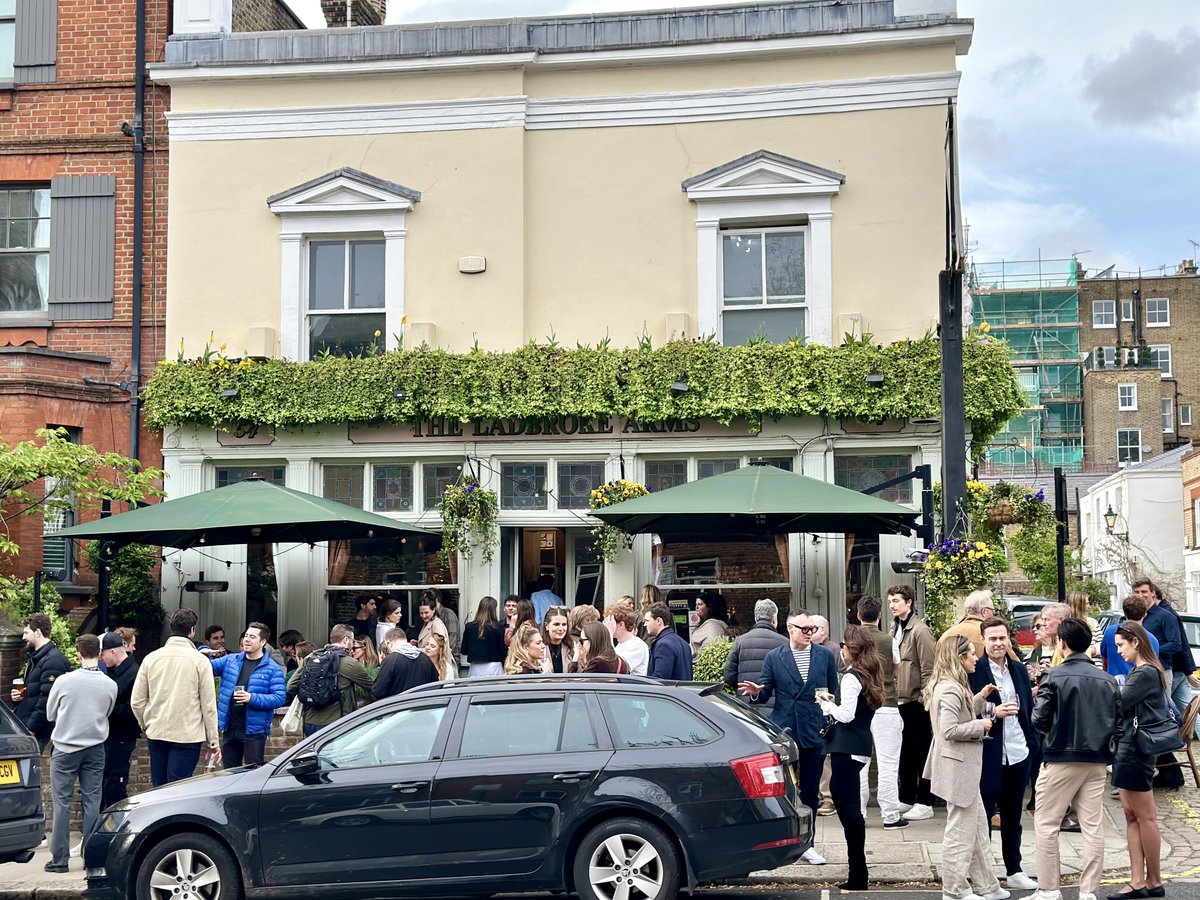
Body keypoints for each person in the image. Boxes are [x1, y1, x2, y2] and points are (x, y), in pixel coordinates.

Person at [1030, 617, 1122, 900]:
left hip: (1061, 756)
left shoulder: (1054, 675)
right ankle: (1089, 891)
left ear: (1063, 643)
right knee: (1093, 826)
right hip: (1096, 759)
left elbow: (1039, 718)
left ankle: (1048, 889)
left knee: (1047, 823)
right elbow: (1118, 722)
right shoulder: (1106, 679)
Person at [738, 610, 840, 866]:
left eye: (812, 629)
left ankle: (809, 844)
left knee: (810, 790)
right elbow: (765, 692)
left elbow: (832, 690)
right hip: (786, 731)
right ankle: (786, 844)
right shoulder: (775, 656)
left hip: (814, 729)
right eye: (804, 629)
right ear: (790, 628)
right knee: (784, 791)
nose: (809, 633)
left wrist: (829, 704)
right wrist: (755, 693)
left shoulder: (825, 655)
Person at [922, 634, 1007, 900]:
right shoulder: (949, 688)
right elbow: (948, 729)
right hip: (958, 768)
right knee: (960, 834)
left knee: (979, 830)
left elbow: (962, 711)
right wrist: (980, 726)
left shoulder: (953, 686)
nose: (976, 658)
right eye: (971, 654)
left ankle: (987, 887)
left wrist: (980, 698)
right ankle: (955, 890)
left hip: (961, 767)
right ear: (959, 658)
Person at [970, 616, 1039, 891]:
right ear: (983, 641)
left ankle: (1014, 869)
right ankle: (984, 874)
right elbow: (967, 710)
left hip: (1018, 750)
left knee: (1013, 814)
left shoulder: (1019, 670)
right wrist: (992, 712)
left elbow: (1027, 709)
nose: (998, 643)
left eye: (1002, 638)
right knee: (983, 814)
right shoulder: (975, 672)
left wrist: (1031, 744)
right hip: (989, 752)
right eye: (993, 639)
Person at [43, 634, 116, 874]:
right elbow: (107, 712)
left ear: (78, 653)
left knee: (62, 803)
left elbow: (51, 714)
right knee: (92, 802)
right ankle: (93, 861)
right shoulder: (110, 684)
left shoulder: (64, 681)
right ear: (99, 653)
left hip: (65, 747)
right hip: (95, 747)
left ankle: (60, 859)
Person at [818, 625, 884, 891]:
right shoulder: (868, 674)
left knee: (849, 812)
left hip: (846, 748)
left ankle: (858, 875)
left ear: (851, 649)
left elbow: (845, 715)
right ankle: (858, 872)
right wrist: (836, 703)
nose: (841, 650)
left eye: (843, 646)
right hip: (859, 746)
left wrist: (825, 704)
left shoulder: (850, 676)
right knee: (850, 808)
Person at [1110, 622, 1170, 900]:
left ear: (1136, 642)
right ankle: (1138, 880)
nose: (1118, 650)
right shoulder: (1144, 671)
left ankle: (1153, 880)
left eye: (1121, 645)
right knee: (1131, 815)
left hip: (1135, 748)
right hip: (1129, 746)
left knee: (1144, 816)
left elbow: (1118, 703)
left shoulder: (1145, 672)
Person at [131, 607, 221, 786]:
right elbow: (208, 705)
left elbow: (137, 701)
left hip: (157, 731)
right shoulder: (200, 661)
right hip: (187, 735)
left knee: (159, 787)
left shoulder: (151, 658)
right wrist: (213, 741)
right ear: (192, 630)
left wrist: (147, 723)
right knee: (178, 789)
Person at [856, 594, 906, 829]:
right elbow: (896, 669)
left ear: (858, 615)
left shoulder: (852, 639)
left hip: (860, 708)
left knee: (860, 763)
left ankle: (859, 814)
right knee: (888, 764)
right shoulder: (888, 639)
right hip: (887, 705)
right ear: (879, 615)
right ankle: (890, 816)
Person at [890, 585, 937, 821]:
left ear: (909, 603)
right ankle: (906, 797)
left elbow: (929, 668)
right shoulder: (895, 628)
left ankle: (925, 800)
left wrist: (923, 699)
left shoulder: (920, 631)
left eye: (896, 601)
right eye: (890, 601)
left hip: (916, 701)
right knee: (905, 752)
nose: (892, 605)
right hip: (900, 701)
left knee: (921, 752)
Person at [210, 622, 287, 768]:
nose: (246, 639)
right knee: (229, 775)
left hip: (254, 731)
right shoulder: (230, 660)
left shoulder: (272, 668)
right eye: (246, 636)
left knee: (253, 775)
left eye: (252, 637)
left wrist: (251, 698)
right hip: (230, 728)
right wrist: (202, 653)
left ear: (263, 642)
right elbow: (205, 668)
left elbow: (279, 698)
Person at [286, 624, 377, 736]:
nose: (352, 645)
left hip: (309, 722)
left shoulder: (312, 657)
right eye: (352, 641)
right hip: (336, 724)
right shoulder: (350, 663)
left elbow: (290, 686)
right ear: (346, 640)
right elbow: (374, 688)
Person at [1138, 579, 1200, 716]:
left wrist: (1188, 670)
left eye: (1144, 592)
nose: (1140, 596)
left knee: (1165, 711)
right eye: (1137, 592)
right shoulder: (1138, 617)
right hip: (1165, 670)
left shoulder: (1167, 615)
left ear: (1153, 594)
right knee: (1181, 711)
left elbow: (1179, 643)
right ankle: (1178, 735)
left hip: (1166, 670)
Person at [12, 613, 71, 751]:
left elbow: (47, 700)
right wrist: (20, 697)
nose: (23, 637)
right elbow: (36, 691)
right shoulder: (36, 658)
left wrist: (31, 729)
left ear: (37, 632)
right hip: (27, 726)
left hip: (36, 731)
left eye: (26, 632)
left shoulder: (53, 661)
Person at [99, 631, 140, 809]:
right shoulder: (112, 671)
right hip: (108, 736)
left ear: (113, 652)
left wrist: (103, 708)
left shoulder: (134, 673)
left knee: (115, 785)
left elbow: (132, 709)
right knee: (104, 783)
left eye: (103, 654)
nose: (101, 658)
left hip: (122, 737)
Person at [723, 599, 788, 709]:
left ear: (755, 618)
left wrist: (743, 686)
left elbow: (729, 676)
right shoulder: (785, 643)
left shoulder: (740, 641)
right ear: (774, 618)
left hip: (746, 705)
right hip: (775, 705)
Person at [938, 590, 1019, 662]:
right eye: (992, 610)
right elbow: (1013, 666)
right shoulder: (993, 635)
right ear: (984, 612)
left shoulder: (946, 635)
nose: (993, 614)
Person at [1100, 595, 1160, 682]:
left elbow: (1104, 658)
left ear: (1124, 613)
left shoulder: (1110, 632)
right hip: (1139, 684)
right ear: (1145, 614)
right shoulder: (1152, 640)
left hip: (1113, 684)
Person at [373, 627, 440, 698]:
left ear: (389, 643)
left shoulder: (391, 660)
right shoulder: (425, 658)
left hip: (397, 706)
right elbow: (436, 685)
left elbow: (378, 691)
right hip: (422, 706)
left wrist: (383, 666)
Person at [645, 603, 692, 680]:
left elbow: (659, 680)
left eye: (647, 621)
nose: (645, 624)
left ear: (658, 621)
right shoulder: (683, 642)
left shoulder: (663, 645)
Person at [462, 597, 508, 677]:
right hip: (494, 667)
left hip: (475, 667)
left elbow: (464, 650)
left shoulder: (469, 627)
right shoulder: (498, 627)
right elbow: (503, 652)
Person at [604, 603, 650, 675]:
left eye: (611, 622)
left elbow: (617, 667)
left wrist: (609, 633)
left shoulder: (638, 645)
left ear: (622, 624)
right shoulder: (620, 645)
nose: (607, 625)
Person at [1066, 590, 1101, 658]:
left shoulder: (1092, 623)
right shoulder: (1066, 625)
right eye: (1087, 604)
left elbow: (1101, 645)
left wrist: (1092, 651)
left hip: (1094, 665)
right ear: (1079, 605)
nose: (1089, 607)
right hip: (1072, 665)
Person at [541, 606, 574, 674]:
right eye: (556, 624)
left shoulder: (572, 648)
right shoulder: (539, 648)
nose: (561, 629)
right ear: (546, 626)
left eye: (564, 624)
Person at [433, 593, 462, 668]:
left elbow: (452, 637)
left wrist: (442, 653)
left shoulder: (448, 614)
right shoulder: (431, 616)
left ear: (436, 600)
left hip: (449, 659)